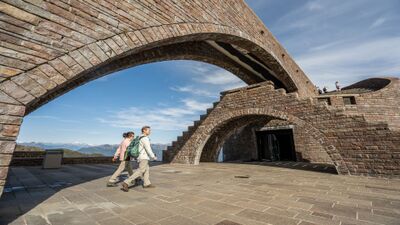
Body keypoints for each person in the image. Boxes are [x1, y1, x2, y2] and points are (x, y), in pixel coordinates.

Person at [121, 126, 157, 192]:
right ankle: (126, 182)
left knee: (146, 170)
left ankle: (147, 183)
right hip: (143, 157)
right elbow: (148, 149)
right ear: (144, 130)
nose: (150, 131)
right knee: (140, 170)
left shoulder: (140, 137)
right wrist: (153, 156)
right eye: (149, 130)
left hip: (141, 156)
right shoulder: (145, 138)